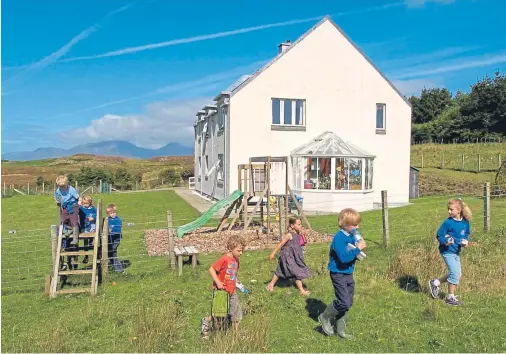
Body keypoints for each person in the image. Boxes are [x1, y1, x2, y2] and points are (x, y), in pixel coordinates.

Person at [318, 208, 366, 339]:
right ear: (346, 225)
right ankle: (324, 317)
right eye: (355, 225)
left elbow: (351, 254)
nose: (358, 227)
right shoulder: (339, 238)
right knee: (343, 302)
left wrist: (358, 252)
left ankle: (340, 330)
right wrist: (358, 249)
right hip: (338, 273)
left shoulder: (351, 235)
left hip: (348, 272)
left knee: (348, 302)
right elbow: (343, 258)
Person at [201, 235, 247, 337]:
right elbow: (211, 269)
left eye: (242, 250)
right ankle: (206, 321)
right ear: (230, 248)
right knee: (219, 313)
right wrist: (218, 282)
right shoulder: (224, 259)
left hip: (232, 291)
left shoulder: (236, 260)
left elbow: (233, 274)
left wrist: (238, 283)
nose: (241, 253)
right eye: (239, 250)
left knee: (236, 312)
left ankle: (236, 334)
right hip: (221, 291)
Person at [429, 198, 472, 306]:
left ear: (459, 210)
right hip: (447, 251)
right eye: (448, 209)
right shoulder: (448, 222)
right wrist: (445, 242)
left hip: (456, 251)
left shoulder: (465, 223)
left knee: (456, 273)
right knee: (455, 273)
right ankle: (450, 297)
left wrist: (465, 242)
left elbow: (466, 234)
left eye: (451, 209)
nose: (449, 211)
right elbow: (439, 235)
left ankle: (435, 283)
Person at [266, 216, 311, 296]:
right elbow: (281, 244)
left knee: (280, 270)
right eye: (299, 224)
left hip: (294, 256)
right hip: (287, 257)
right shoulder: (289, 235)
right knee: (297, 272)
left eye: (301, 224)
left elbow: (299, 244)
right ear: (292, 226)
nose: (300, 226)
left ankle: (270, 285)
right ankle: (301, 290)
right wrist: (273, 253)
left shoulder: (298, 234)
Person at [54, 175, 80, 245]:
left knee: (73, 220)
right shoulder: (58, 190)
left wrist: (79, 204)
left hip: (73, 205)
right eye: (60, 186)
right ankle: (68, 230)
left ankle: (75, 238)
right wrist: (57, 201)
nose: (62, 188)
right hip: (65, 206)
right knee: (63, 219)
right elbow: (57, 197)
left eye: (63, 186)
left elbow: (77, 198)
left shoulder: (71, 189)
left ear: (66, 183)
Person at [79, 195, 97, 264]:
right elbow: (76, 209)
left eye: (87, 203)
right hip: (84, 226)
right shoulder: (81, 208)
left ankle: (94, 252)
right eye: (84, 203)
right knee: (85, 241)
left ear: (90, 203)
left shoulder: (93, 209)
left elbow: (96, 214)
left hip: (91, 226)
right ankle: (86, 255)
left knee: (92, 238)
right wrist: (79, 202)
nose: (85, 205)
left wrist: (93, 217)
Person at [107, 203, 124, 273]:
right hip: (109, 239)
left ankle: (120, 270)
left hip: (116, 239)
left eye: (114, 212)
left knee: (113, 252)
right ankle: (116, 268)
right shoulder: (107, 220)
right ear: (108, 214)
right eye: (111, 213)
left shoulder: (118, 219)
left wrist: (111, 230)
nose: (113, 214)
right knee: (109, 253)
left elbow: (118, 230)